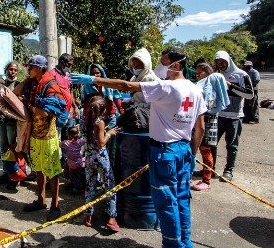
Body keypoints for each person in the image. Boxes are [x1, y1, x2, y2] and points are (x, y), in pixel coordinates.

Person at [71, 54, 207, 248]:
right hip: (184, 150)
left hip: (165, 152)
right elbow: (200, 127)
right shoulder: (195, 89)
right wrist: (192, 153)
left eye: (165, 62)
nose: (161, 67)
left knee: (167, 204)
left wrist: (93, 79)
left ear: (177, 64)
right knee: (182, 199)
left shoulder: (166, 87)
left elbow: (126, 86)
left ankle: (174, 246)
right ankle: (185, 243)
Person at [15, 55, 68, 221]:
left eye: (31, 67)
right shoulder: (32, 83)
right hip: (35, 135)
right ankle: (40, 200)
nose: (28, 69)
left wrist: (30, 105)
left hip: (47, 136)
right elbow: (15, 92)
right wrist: (27, 79)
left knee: (52, 172)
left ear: (41, 69)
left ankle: (55, 206)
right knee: (38, 169)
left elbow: (45, 112)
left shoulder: (50, 85)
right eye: (29, 66)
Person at [213, 51, 254, 181]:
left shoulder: (242, 74)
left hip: (234, 116)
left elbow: (250, 94)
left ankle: (228, 171)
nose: (221, 65)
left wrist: (231, 86)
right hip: (218, 115)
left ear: (228, 60)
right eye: (218, 63)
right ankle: (209, 169)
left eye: (223, 62)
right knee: (211, 143)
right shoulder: (217, 75)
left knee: (231, 145)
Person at [82, 96, 120, 231]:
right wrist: (109, 133)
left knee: (90, 185)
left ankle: (89, 216)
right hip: (100, 158)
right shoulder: (100, 122)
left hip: (88, 157)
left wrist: (103, 130)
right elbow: (101, 143)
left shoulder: (85, 119)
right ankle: (111, 218)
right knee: (109, 185)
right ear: (103, 110)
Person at [192, 63, 230, 191]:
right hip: (202, 119)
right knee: (200, 148)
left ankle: (206, 180)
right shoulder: (203, 85)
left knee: (205, 149)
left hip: (208, 120)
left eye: (200, 73)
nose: (197, 76)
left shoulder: (210, 86)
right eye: (196, 73)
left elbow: (209, 104)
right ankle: (204, 173)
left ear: (207, 73)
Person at [0, 62, 21, 189]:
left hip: (13, 122)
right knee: (3, 148)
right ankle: (7, 172)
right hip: (0, 121)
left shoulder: (19, 85)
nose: (13, 72)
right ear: (5, 71)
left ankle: (15, 176)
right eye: (10, 69)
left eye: (15, 70)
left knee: (12, 148)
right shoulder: (0, 84)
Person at [59, 125, 86, 195]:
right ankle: (78, 187)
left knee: (73, 175)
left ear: (68, 135)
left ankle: (75, 187)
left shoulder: (66, 143)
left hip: (71, 164)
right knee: (77, 175)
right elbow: (85, 140)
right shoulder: (80, 142)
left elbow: (60, 144)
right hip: (78, 163)